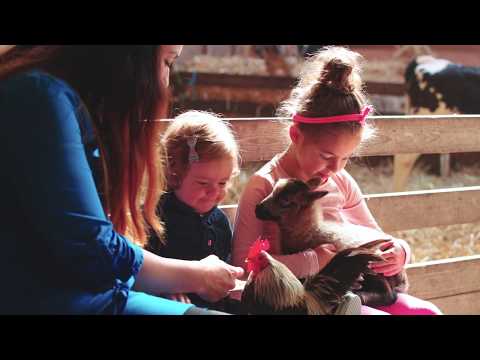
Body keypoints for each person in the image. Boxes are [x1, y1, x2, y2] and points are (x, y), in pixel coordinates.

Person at [0, 45, 244, 315]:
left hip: (98, 295)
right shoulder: (39, 98)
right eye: (167, 62)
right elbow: (94, 248)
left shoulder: (72, 105)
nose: (165, 82)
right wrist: (196, 275)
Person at [232, 46, 442, 315]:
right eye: (327, 155)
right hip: (305, 302)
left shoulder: (340, 181)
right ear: (296, 135)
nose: (335, 167)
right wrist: (316, 261)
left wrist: (400, 252)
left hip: (356, 291)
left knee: (427, 312)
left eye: (345, 158)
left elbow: (375, 237)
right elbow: (244, 266)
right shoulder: (265, 186)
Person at [147, 110, 243, 312]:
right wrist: (163, 291)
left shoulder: (220, 222)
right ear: (175, 174)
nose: (214, 192)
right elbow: (142, 269)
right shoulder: (155, 218)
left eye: (222, 182)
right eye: (203, 183)